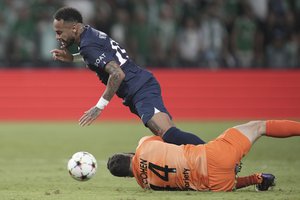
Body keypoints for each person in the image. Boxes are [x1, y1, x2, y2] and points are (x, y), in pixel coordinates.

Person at [50, 7, 204, 145]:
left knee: (168, 134)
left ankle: (213, 154)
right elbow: (99, 55)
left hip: (140, 88)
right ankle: (201, 163)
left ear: (75, 28)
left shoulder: (87, 45)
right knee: (168, 135)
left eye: (59, 32)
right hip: (138, 87)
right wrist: (72, 58)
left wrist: (99, 107)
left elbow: (117, 74)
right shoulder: (89, 33)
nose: (57, 37)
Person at [107, 120, 300, 191]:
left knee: (220, 180)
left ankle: (257, 179)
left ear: (126, 176)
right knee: (258, 127)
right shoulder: (144, 145)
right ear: (129, 154)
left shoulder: (146, 185)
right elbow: (169, 138)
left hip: (216, 185)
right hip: (213, 155)